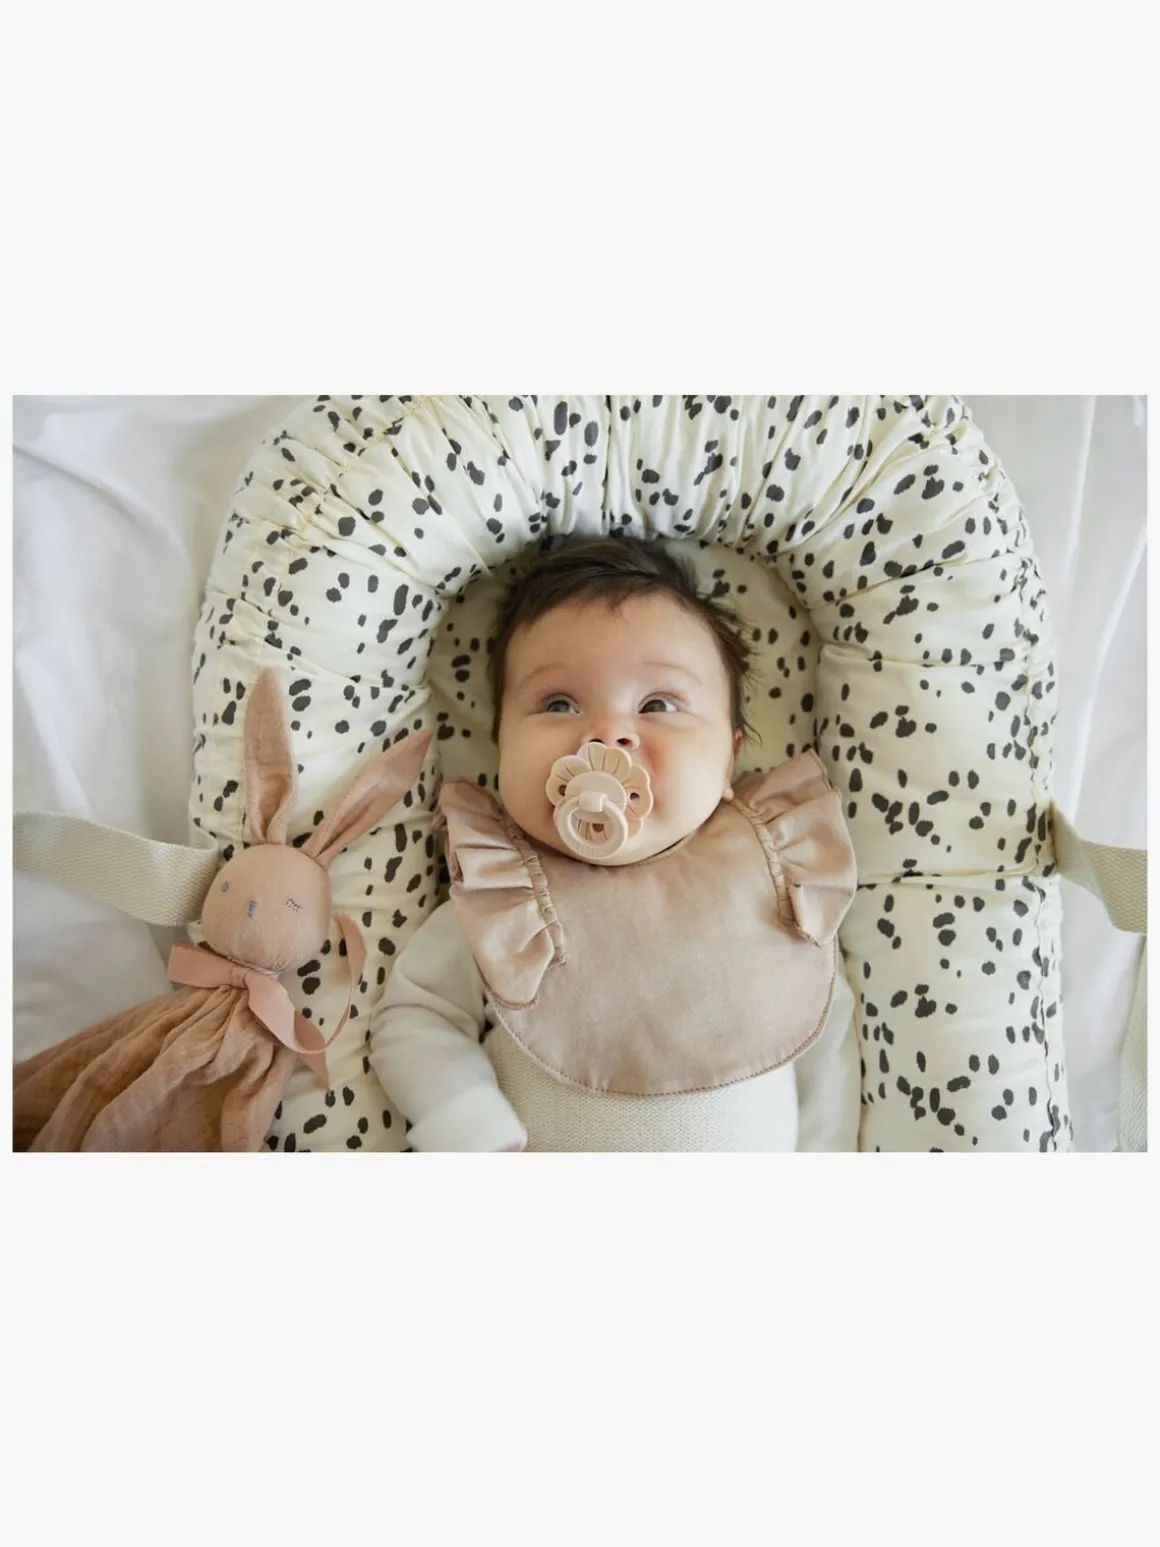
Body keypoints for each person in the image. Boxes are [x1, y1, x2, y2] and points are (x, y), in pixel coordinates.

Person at [370, 535, 860, 1151]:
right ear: (501, 746)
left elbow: (822, 1031)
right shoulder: (503, 897)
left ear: (729, 757)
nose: (606, 735)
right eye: (558, 703)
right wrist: (472, 1129)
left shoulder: (777, 870)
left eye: (658, 703)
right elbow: (417, 1018)